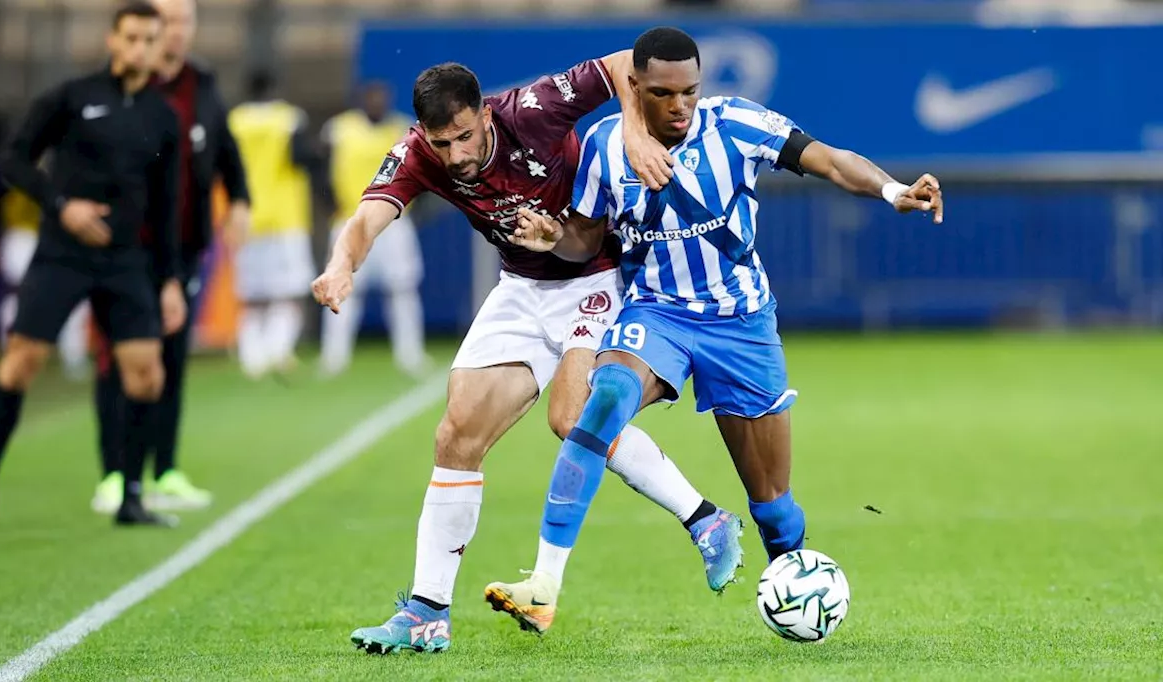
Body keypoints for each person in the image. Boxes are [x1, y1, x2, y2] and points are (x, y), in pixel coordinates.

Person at [484, 26, 945, 636]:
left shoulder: (736, 122)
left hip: (741, 325)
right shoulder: (602, 144)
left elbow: (828, 158)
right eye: (663, 93)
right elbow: (585, 241)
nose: (679, 106)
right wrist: (552, 239)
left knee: (775, 510)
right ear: (636, 89)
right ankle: (544, 586)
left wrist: (892, 189)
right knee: (605, 404)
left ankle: (793, 580)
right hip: (655, 314)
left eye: (690, 92)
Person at [314, 55, 738, 655]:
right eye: (442, 143)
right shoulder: (416, 154)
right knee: (456, 434)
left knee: (570, 419)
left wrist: (636, 133)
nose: (456, 154)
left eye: (465, 136)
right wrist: (339, 266)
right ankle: (427, 612)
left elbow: (624, 64)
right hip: (520, 289)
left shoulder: (532, 110)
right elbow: (367, 218)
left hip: (593, 277)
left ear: (485, 114)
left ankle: (706, 520)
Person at [0, 1, 187, 532]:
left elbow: (168, 204)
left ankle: (130, 496)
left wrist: (170, 279)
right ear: (112, 40)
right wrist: (62, 207)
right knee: (20, 364)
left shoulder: (162, 116)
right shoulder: (72, 97)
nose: (141, 49)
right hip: (63, 255)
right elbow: (12, 160)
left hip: (126, 261)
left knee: (146, 375)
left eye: (151, 40)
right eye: (131, 38)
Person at [89, 0, 250, 514]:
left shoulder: (201, 83)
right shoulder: (118, 89)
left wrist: (240, 199)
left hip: (184, 244)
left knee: (173, 357)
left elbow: (225, 147)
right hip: (124, 247)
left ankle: (165, 468)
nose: (176, 33)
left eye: (185, 23)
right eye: (169, 23)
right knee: (121, 357)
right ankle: (115, 473)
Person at [318, 81, 428, 378]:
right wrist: (329, 203)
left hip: (394, 222)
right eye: (371, 98)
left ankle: (410, 354)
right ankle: (333, 358)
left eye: (381, 99)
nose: (376, 103)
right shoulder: (339, 129)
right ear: (361, 100)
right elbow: (319, 168)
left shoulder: (402, 129)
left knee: (402, 290)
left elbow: (425, 173)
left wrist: (415, 211)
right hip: (350, 219)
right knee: (341, 288)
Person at [227, 70, 320, 379]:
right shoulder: (289, 118)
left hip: (246, 216)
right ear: (275, 87)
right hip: (284, 216)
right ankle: (278, 352)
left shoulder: (235, 121)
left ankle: (251, 359)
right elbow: (299, 157)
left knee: (253, 296)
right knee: (289, 292)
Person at [0, 187, 92, 380]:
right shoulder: (24, 174)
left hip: (52, 239)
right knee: (20, 299)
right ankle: (14, 356)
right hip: (23, 236)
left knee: (73, 298)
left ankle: (74, 358)